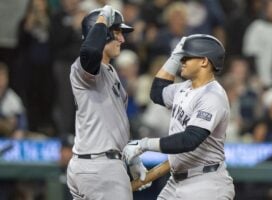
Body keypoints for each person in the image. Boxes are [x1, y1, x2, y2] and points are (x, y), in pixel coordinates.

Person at [123, 34, 235, 199]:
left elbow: (189, 140)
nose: (182, 61)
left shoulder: (213, 95)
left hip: (206, 184)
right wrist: (174, 56)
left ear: (204, 61)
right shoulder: (184, 88)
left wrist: (144, 145)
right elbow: (157, 92)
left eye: (187, 56)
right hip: (177, 181)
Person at [66, 5, 150, 200]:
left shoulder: (111, 73)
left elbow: (114, 124)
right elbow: (90, 53)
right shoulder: (83, 67)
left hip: (99, 165)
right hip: (101, 167)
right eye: (117, 33)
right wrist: (103, 18)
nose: (122, 39)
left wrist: (131, 158)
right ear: (102, 34)